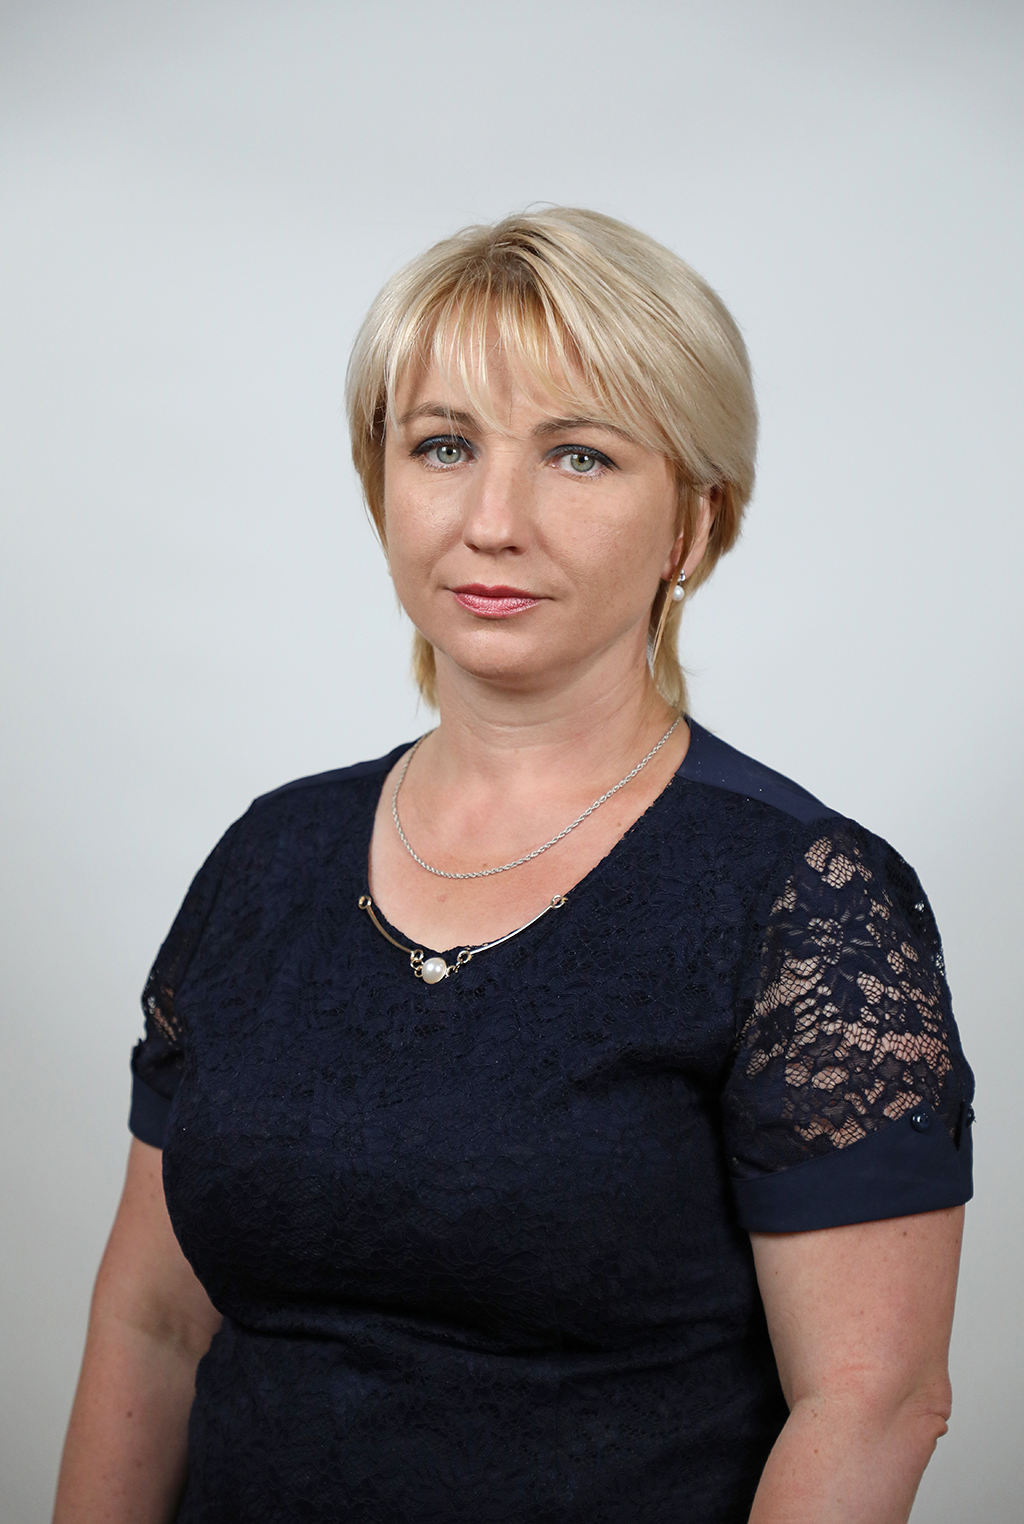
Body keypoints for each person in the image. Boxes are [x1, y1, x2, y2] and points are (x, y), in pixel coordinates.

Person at [53, 207, 974, 1524]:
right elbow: (150, 1323)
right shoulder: (268, 858)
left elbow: (874, 1401)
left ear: (692, 524)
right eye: (443, 446)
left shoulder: (805, 900)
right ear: (381, 485)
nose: (493, 520)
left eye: (579, 456)